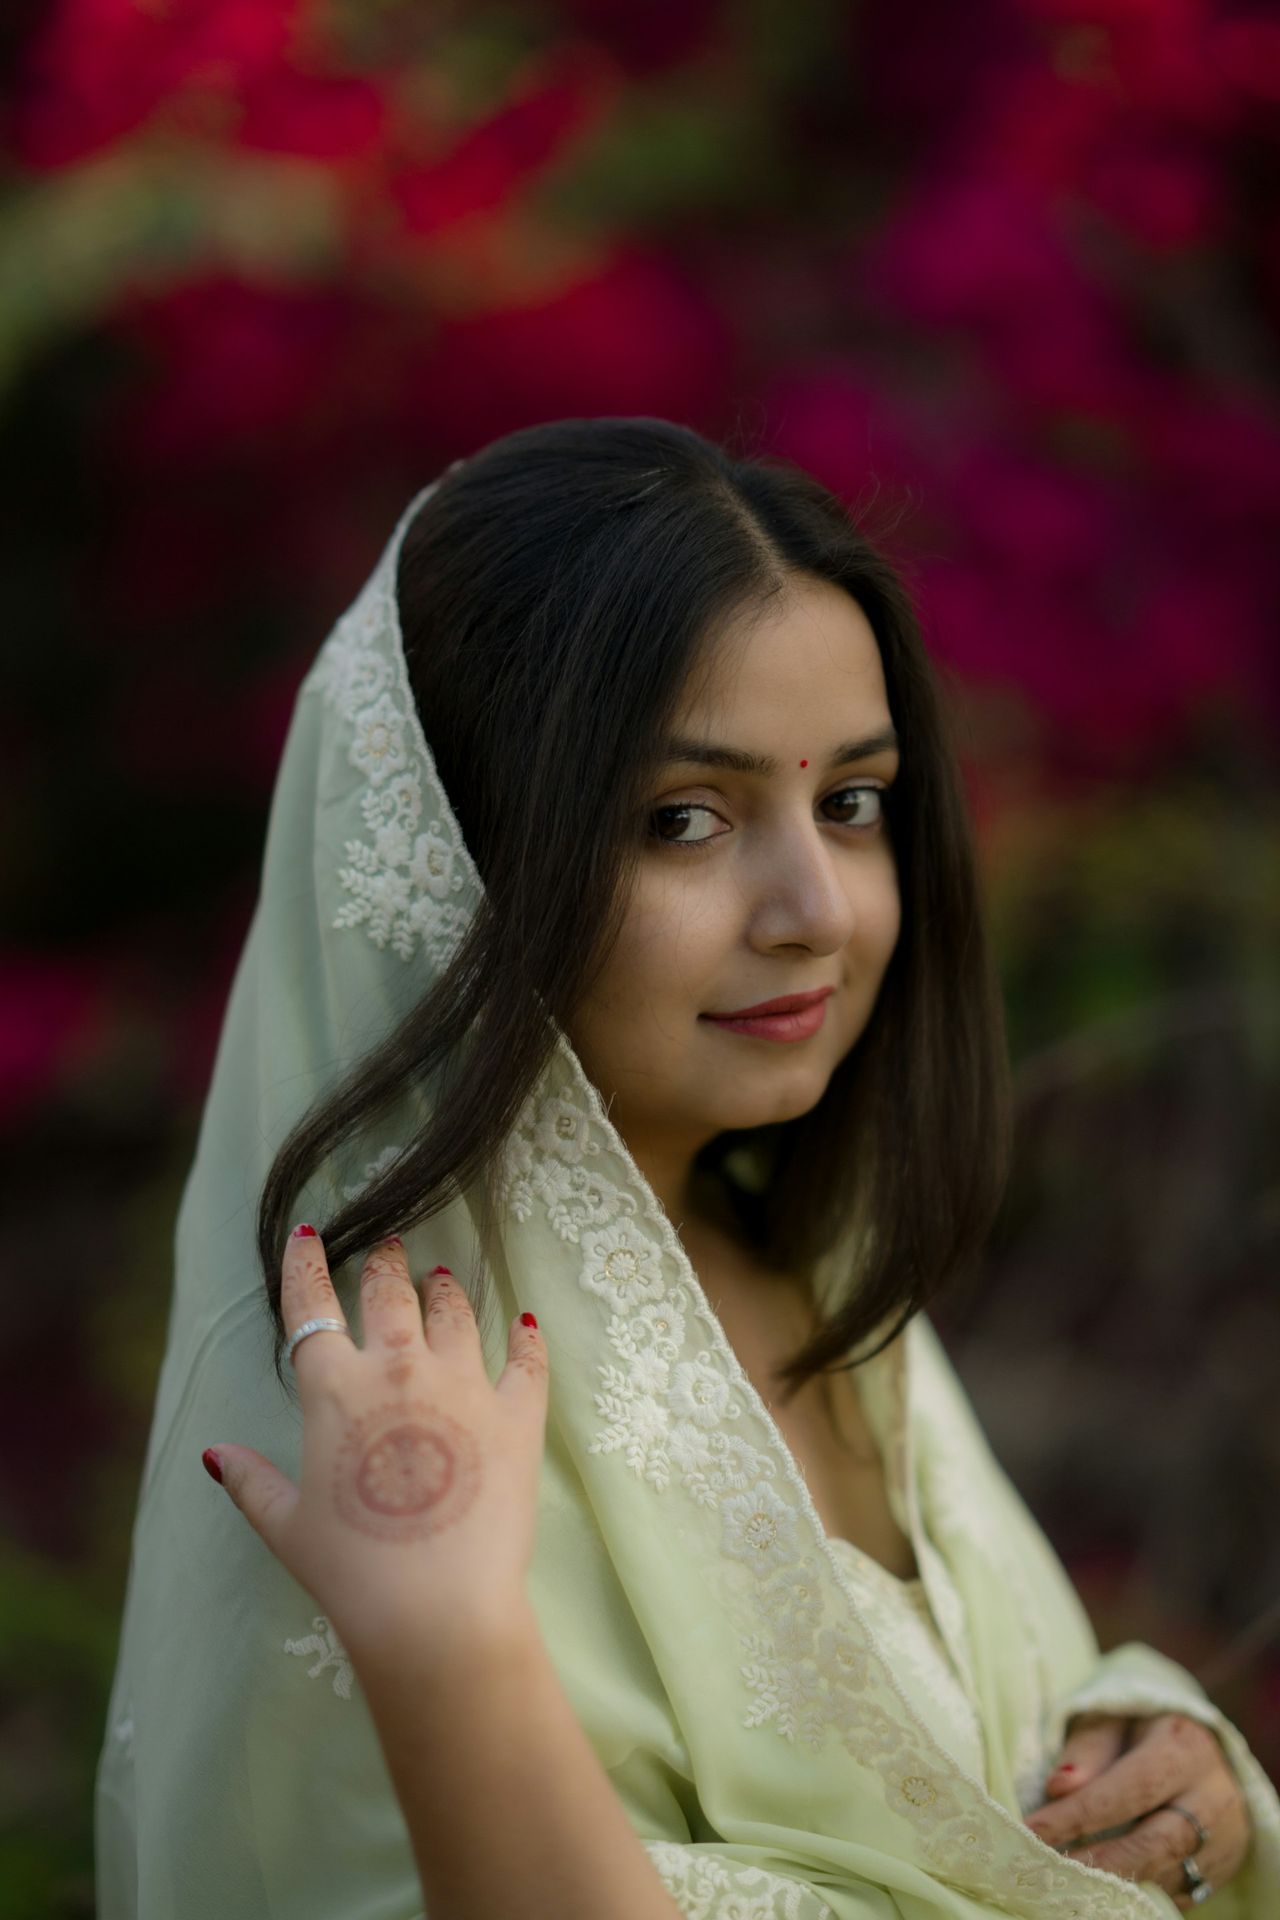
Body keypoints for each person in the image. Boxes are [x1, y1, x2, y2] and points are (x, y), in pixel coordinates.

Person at [95, 419, 1279, 1917]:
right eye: (683, 821)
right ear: (463, 864)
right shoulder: (377, 1420)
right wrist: (449, 1650)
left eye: (850, 802)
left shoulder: (819, 1267)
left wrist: (1158, 1757)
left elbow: (981, 1767)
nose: (815, 910)